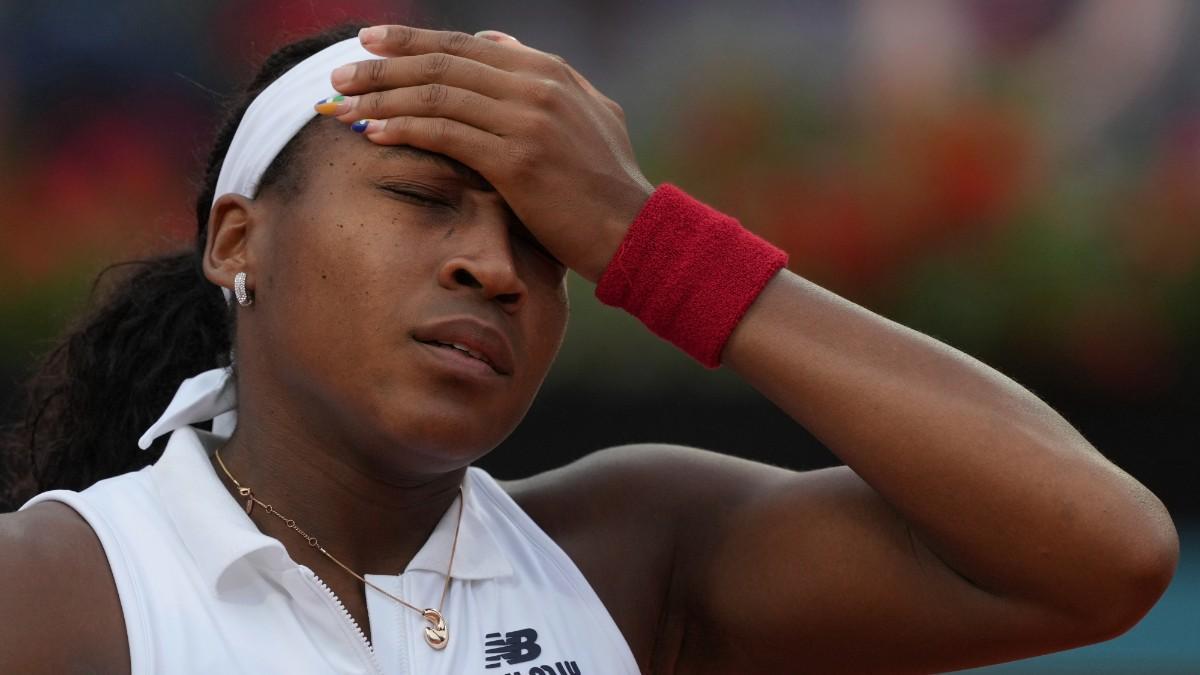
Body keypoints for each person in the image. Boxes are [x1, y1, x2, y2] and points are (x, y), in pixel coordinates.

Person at [0, 23, 1179, 675]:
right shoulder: (53, 593)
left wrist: (649, 240)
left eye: (551, 244)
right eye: (423, 196)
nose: (496, 267)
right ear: (235, 238)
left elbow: (1102, 556)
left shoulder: (633, 555)